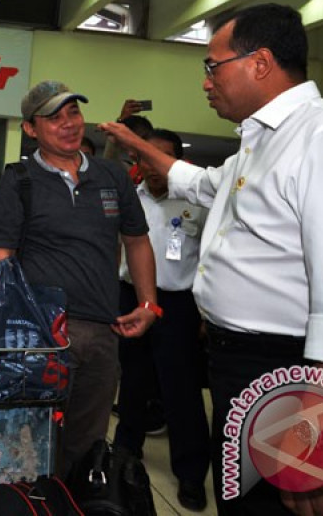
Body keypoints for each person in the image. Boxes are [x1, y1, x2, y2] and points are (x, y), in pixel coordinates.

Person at [100, 3, 323, 516]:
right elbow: (198, 183)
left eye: (212, 66)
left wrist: (312, 430)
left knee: (283, 503)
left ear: (261, 62)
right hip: (238, 368)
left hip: (295, 376)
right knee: (243, 504)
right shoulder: (257, 144)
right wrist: (136, 144)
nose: (206, 81)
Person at [0, 80, 159, 477]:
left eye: (73, 113)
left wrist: (148, 303)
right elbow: (2, 257)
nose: (68, 124)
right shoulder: (19, 179)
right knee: (24, 443)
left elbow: (136, 239)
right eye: (54, 117)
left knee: (86, 446)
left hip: (102, 331)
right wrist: (9, 336)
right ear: (30, 129)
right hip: (39, 336)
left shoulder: (112, 176)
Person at [114, 128, 210, 512]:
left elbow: (209, 259)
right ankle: (124, 455)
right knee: (133, 382)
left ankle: (190, 475)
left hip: (177, 305)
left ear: (178, 162)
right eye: (146, 157)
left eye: (162, 157)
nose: (153, 165)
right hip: (131, 297)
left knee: (181, 389)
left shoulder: (196, 203)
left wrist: (204, 312)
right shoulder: (129, 200)